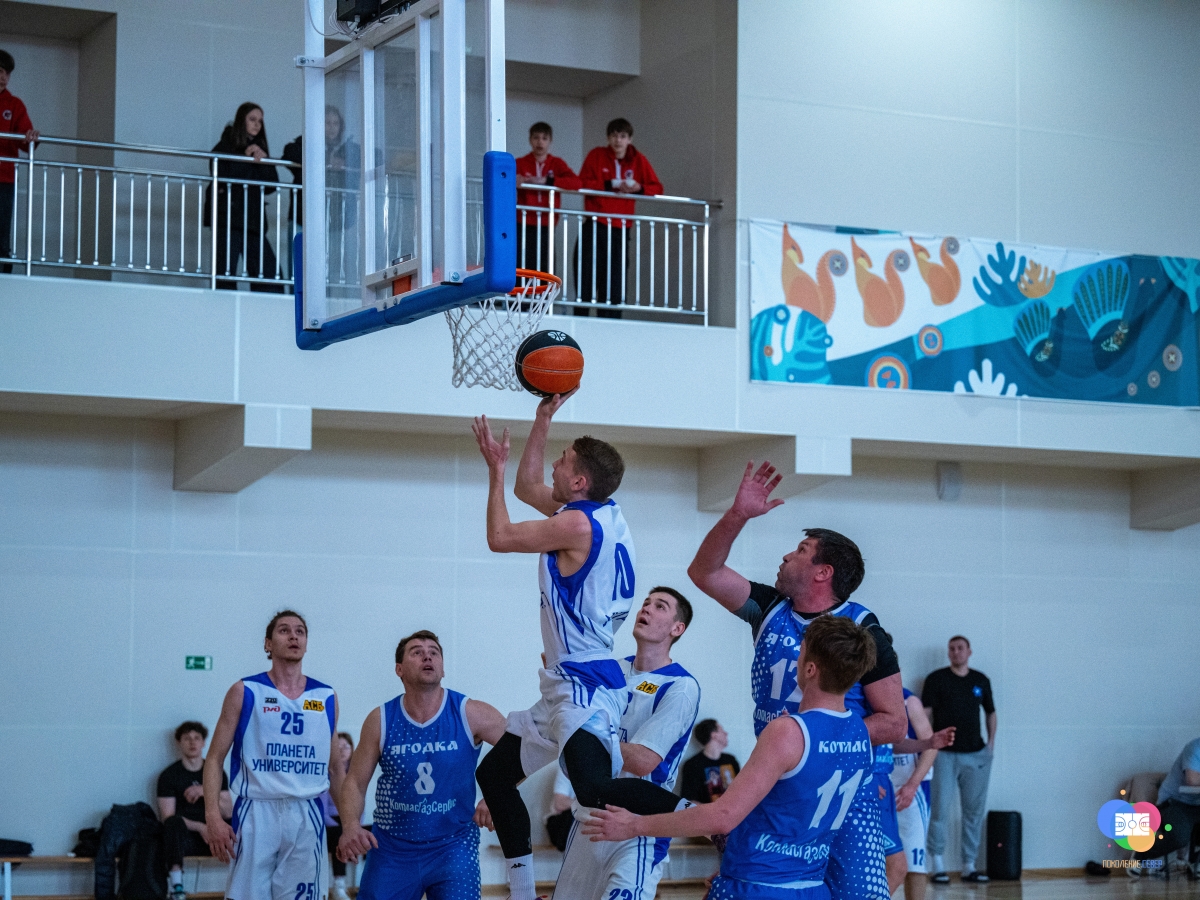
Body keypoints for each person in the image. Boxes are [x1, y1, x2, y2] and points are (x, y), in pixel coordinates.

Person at [471, 392, 692, 900]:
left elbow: (499, 536)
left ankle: (705, 815)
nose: (554, 463)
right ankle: (522, 891)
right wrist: (542, 417)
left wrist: (494, 470)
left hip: (585, 682)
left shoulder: (574, 524)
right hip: (565, 681)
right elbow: (529, 487)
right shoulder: (599, 514)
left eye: (563, 460)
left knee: (593, 791)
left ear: (578, 482)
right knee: (495, 774)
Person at [687, 460, 907, 900]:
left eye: (801, 550)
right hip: (777, 781)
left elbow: (894, 722)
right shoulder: (768, 608)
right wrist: (738, 515)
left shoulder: (864, 630)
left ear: (823, 572)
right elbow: (704, 573)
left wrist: (815, 740)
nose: (787, 555)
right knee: (753, 887)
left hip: (841, 790)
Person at [582, 615, 877, 900]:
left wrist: (633, 826)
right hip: (811, 886)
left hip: (758, 887)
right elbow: (798, 805)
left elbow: (722, 817)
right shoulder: (859, 732)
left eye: (800, 654)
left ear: (810, 669)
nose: (796, 661)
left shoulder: (788, 732)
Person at [551, 586, 701, 900]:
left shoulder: (681, 686)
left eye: (660, 606)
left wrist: (587, 741)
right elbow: (562, 726)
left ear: (677, 628)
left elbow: (644, 759)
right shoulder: (611, 671)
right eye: (646, 602)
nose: (646, 608)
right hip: (588, 820)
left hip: (639, 827)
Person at [336, 630, 508, 900]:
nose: (427, 656)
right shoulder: (381, 719)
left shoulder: (470, 712)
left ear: (442, 668)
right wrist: (350, 826)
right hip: (392, 848)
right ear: (399, 669)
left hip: (453, 845)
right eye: (417, 652)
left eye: (434, 652)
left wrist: (497, 794)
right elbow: (355, 782)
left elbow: (523, 750)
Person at [202, 610, 342, 900]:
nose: (293, 636)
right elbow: (214, 759)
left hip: (306, 813)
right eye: (284, 630)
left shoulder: (326, 696)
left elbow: (336, 769)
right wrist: (213, 816)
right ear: (268, 644)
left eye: (300, 631)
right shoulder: (245, 690)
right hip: (256, 811)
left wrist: (350, 823)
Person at [923, 635, 996, 884]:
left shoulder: (980, 680)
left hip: (976, 754)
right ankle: (937, 864)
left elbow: (991, 712)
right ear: (948, 653)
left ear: (969, 652)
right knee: (940, 809)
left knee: (973, 811)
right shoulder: (936, 679)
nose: (956, 652)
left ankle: (969, 865)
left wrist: (991, 744)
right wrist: (927, 745)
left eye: (960, 648)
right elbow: (925, 714)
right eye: (952, 649)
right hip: (944, 755)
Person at [575, 118, 662, 317]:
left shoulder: (638, 159)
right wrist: (608, 184)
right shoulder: (596, 155)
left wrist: (639, 188)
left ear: (630, 139)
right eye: (614, 136)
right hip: (595, 224)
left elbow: (657, 188)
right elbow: (580, 183)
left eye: (622, 136)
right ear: (608, 138)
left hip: (620, 229)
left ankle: (610, 323)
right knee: (586, 276)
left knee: (614, 281)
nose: (618, 140)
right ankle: (580, 319)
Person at [207, 102, 283, 292]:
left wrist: (263, 161)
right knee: (226, 271)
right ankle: (224, 307)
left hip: (252, 221)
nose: (257, 124)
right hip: (229, 218)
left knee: (269, 273)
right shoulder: (226, 145)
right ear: (242, 120)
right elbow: (219, 174)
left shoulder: (259, 148)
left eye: (260, 121)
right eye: (252, 119)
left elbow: (272, 185)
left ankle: (264, 306)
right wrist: (245, 158)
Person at [157, 721, 232, 899]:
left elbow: (228, 812)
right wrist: (200, 827)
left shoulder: (216, 773)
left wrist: (205, 791)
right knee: (172, 825)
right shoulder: (169, 775)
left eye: (196, 738)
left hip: (215, 836)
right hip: (186, 838)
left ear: (203, 742)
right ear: (179, 742)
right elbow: (168, 817)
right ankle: (177, 887)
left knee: (243, 821)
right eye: (187, 738)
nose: (192, 742)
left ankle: (244, 886)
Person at [891, 690, 941, 900]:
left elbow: (931, 747)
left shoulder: (909, 701)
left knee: (914, 861)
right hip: (879, 787)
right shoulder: (860, 695)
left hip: (910, 789)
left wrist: (912, 786)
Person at [515, 122, 580, 273]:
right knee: (522, 264)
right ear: (530, 140)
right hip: (523, 222)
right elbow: (502, 181)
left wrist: (548, 181)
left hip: (547, 222)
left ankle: (545, 289)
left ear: (550, 141)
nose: (540, 142)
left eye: (544, 138)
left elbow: (576, 183)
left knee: (546, 266)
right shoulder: (519, 163)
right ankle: (520, 289)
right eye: (536, 137)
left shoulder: (557, 163)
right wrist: (514, 180)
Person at [1135, 737, 1200, 873]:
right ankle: (1142, 853)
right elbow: (1192, 780)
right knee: (1180, 837)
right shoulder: (1195, 748)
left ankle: (1195, 862)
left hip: (1197, 806)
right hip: (1174, 803)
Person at [0, 50, 38, 274]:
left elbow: (25, 139)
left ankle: (4, 280)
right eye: (0, 71)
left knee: (2, 232)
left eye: (7, 73)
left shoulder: (14, 104)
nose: (3, 77)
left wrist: (31, 137)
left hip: (4, 179)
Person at [317, 732, 354, 900]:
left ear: (352, 749)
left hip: (348, 821)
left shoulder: (356, 773)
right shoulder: (328, 772)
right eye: (338, 746)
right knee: (340, 835)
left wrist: (354, 826)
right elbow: (323, 812)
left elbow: (358, 808)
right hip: (328, 823)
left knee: (376, 833)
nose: (342, 750)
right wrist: (346, 827)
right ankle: (339, 886)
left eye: (346, 746)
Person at [679, 720, 740, 804]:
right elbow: (689, 801)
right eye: (722, 730)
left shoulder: (731, 760)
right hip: (708, 812)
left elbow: (743, 789)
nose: (726, 733)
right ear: (714, 735)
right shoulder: (692, 765)